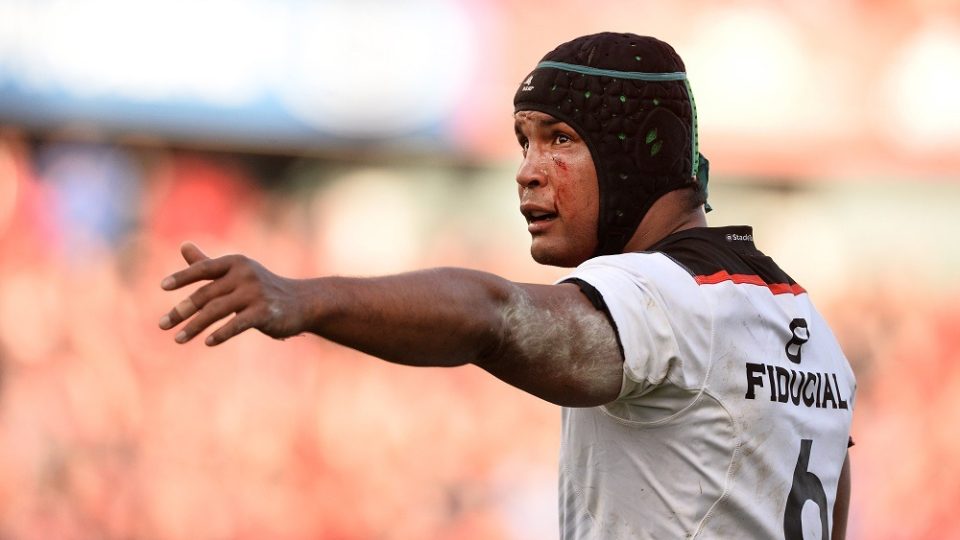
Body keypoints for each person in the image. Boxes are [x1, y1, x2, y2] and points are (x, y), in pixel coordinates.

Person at [159, 33, 855, 539]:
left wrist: (307, 299)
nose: (526, 170)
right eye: (524, 140)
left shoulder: (665, 295)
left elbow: (495, 316)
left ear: (638, 152)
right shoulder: (812, 333)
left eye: (559, 138)